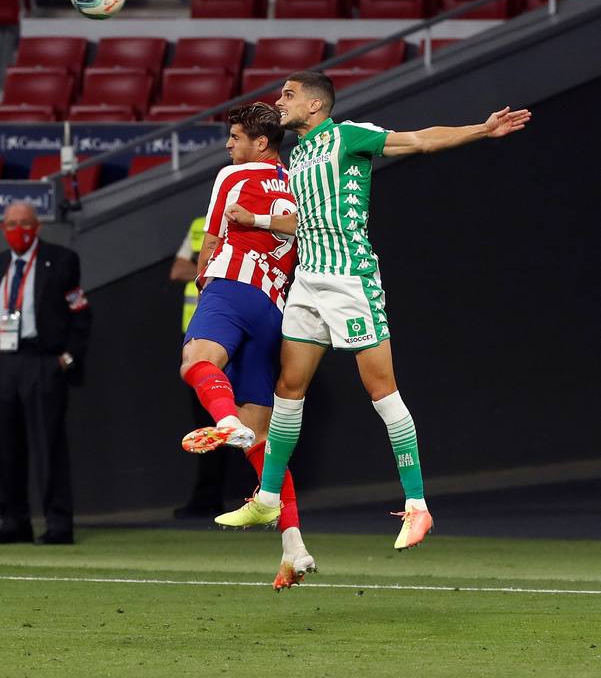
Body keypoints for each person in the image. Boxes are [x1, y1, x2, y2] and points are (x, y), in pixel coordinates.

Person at [215, 71, 531, 551]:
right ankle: (270, 496)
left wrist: (482, 129)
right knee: (288, 387)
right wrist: (257, 219)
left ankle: (418, 507)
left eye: (289, 94)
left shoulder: (347, 136)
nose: (279, 101)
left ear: (316, 106)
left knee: (381, 390)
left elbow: (421, 141)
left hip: (349, 281)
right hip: (308, 281)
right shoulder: (297, 156)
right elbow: (303, 219)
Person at [179, 102, 315, 589]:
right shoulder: (302, 181)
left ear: (260, 144)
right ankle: (294, 548)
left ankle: (225, 418)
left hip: (233, 286)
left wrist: (204, 281)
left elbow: (213, 238)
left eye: (235, 137)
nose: (229, 145)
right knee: (264, 442)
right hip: (277, 309)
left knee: (196, 360)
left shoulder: (234, 176)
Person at [0, 200, 91, 544]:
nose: (18, 230)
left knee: (48, 445)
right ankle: (13, 521)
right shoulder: (2, 264)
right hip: (6, 362)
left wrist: (66, 360)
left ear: (37, 226)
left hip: (43, 361)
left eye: (24, 223)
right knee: (6, 447)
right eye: (11, 224)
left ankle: (58, 524)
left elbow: (81, 313)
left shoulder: (61, 260)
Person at [170, 215, 230, 519]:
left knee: (244, 417)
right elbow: (178, 270)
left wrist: (205, 265)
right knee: (204, 422)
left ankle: (260, 494)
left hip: (231, 333)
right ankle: (207, 496)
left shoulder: (247, 219)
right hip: (196, 337)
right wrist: (211, 266)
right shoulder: (197, 226)